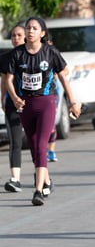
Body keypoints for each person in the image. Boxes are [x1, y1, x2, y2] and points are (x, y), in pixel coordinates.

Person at [5, 17, 81, 206]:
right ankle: (46, 181)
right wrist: (14, 98)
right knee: (32, 146)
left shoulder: (50, 53)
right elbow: (8, 79)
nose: (30, 31)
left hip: (46, 103)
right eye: (28, 28)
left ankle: (38, 190)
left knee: (40, 145)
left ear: (42, 33)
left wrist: (72, 102)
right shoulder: (17, 54)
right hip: (25, 105)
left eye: (34, 28)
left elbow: (63, 78)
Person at [1, 24, 26, 192]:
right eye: (13, 35)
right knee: (15, 141)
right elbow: (4, 80)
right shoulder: (5, 58)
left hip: (33, 103)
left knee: (36, 141)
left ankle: (43, 178)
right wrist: (2, 98)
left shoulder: (34, 55)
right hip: (12, 104)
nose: (16, 38)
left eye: (19, 35)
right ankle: (15, 179)